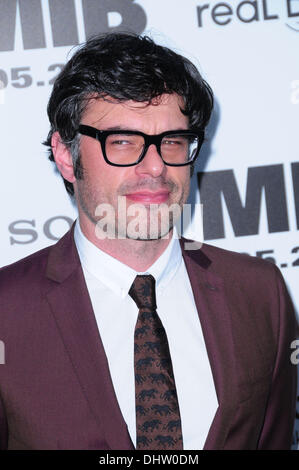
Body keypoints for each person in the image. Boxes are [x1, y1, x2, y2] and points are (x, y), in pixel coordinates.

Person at [0, 32, 297, 451]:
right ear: (67, 156)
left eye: (173, 141)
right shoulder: (6, 310)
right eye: (123, 142)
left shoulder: (259, 291)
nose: (156, 167)